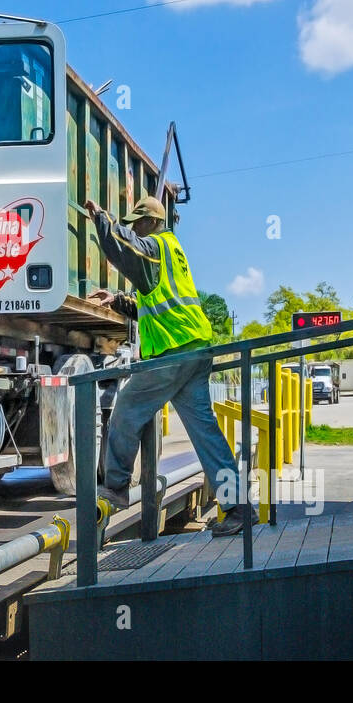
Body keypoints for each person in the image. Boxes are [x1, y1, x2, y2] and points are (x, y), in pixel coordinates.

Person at [84, 195, 256, 537]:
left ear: (150, 222)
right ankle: (238, 508)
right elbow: (155, 304)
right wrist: (118, 300)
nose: (134, 227)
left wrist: (102, 221)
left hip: (174, 354)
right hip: (195, 351)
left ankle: (115, 486)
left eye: (137, 222)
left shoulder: (153, 246)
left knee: (127, 410)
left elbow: (125, 248)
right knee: (206, 433)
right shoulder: (172, 249)